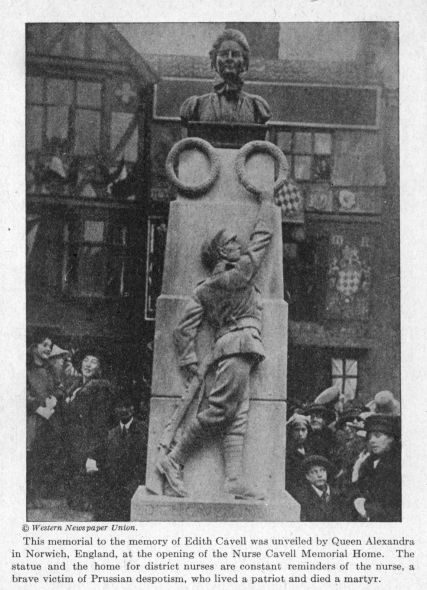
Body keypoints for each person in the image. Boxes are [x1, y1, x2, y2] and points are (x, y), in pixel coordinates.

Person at [156, 191, 275, 499]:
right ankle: (174, 459)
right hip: (239, 346)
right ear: (224, 252)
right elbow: (262, 236)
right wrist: (265, 203)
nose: (240, 245)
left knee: (238, 415)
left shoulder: (204, 289)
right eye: (234, 242)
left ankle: (233, 479)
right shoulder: (238, 275)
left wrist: (189, 360)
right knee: (221, 411)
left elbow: (184, 330)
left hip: (232, 349)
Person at [180, 29, 271, 125]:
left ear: (244, 63)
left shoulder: (257, 106)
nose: (229, 58)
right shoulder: (196, 105)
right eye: (223, 54)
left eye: (235, 54)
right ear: (214, 61)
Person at [63, 348, 114, 510]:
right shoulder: (75, 386)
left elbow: (100, 423)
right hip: (73, 441)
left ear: (99, 368)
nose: (88, 365)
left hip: (89, 441)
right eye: (86, 360)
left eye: (93, 362)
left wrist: (93, 453)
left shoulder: (100, 389)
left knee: (88, 478)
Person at [92, 397, 147, 521]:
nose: (123, 410)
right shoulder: (111, 433)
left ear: (133, 409)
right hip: (113, 490)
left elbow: (143, 463)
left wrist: (133, 486)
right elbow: (103, 458)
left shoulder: (142, 431)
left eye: (127, 407)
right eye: (120, 407)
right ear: (115, 410)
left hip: (133, 488)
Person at [27, 329, 63, 507]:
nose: (48, 349)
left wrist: (55, 397)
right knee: (27, 455)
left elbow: (59, 387)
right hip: (30, 418)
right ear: (34, 347)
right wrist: (36, 407)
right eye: (44, 345)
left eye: (50, 346)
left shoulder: (50, 368)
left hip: (48, 419)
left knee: (40, 457)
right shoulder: (25, 367)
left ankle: (35, 494)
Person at [351, 414, 401, 522]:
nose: (372, 440)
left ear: (391, 438)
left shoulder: (397, 464)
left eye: (377, 435)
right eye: (369, 437)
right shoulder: (369, 462)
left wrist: (367, 509)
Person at [294, 455, 347, 522]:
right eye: (314, 472)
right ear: (307, 476)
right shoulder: (302, 498)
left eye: (323, 470)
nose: (319, 475)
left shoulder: (339, 495)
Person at [285, 413, 311, 498]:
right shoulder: (287, 451)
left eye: (303, 430)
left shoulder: (310, 449)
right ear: (291, 431)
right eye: (296, 430)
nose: (300, 434)